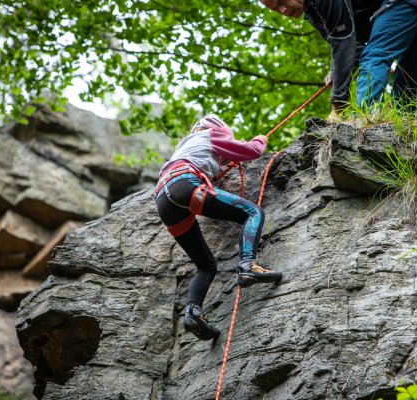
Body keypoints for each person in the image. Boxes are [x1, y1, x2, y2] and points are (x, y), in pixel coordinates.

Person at [154, 115, 283, 341]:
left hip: (164, 201)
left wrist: (222, 165)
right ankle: (248, 265)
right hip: (185, 185)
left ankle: (193, 314)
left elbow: (208, 165)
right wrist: (260, 140)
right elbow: (252, 151)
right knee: (253, 213)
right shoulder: (213, 135)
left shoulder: (186, 146)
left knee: (206, 266)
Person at [258, 0, 381, 118]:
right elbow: (355, 46)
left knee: (373, 58)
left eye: (281, 2)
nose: (283, 10)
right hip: (383, 17)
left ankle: (366, 116)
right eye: (276, 9)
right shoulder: (313, 13)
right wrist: (336, 72)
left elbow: (343, 41)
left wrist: (338, 105)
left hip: (393, 7)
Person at [356, 0, 417, 109]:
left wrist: (341, 70)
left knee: (376, 55)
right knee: (411, 71)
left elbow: (344, 39)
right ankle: (409, 120)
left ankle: (365, 115)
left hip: (403, 4)